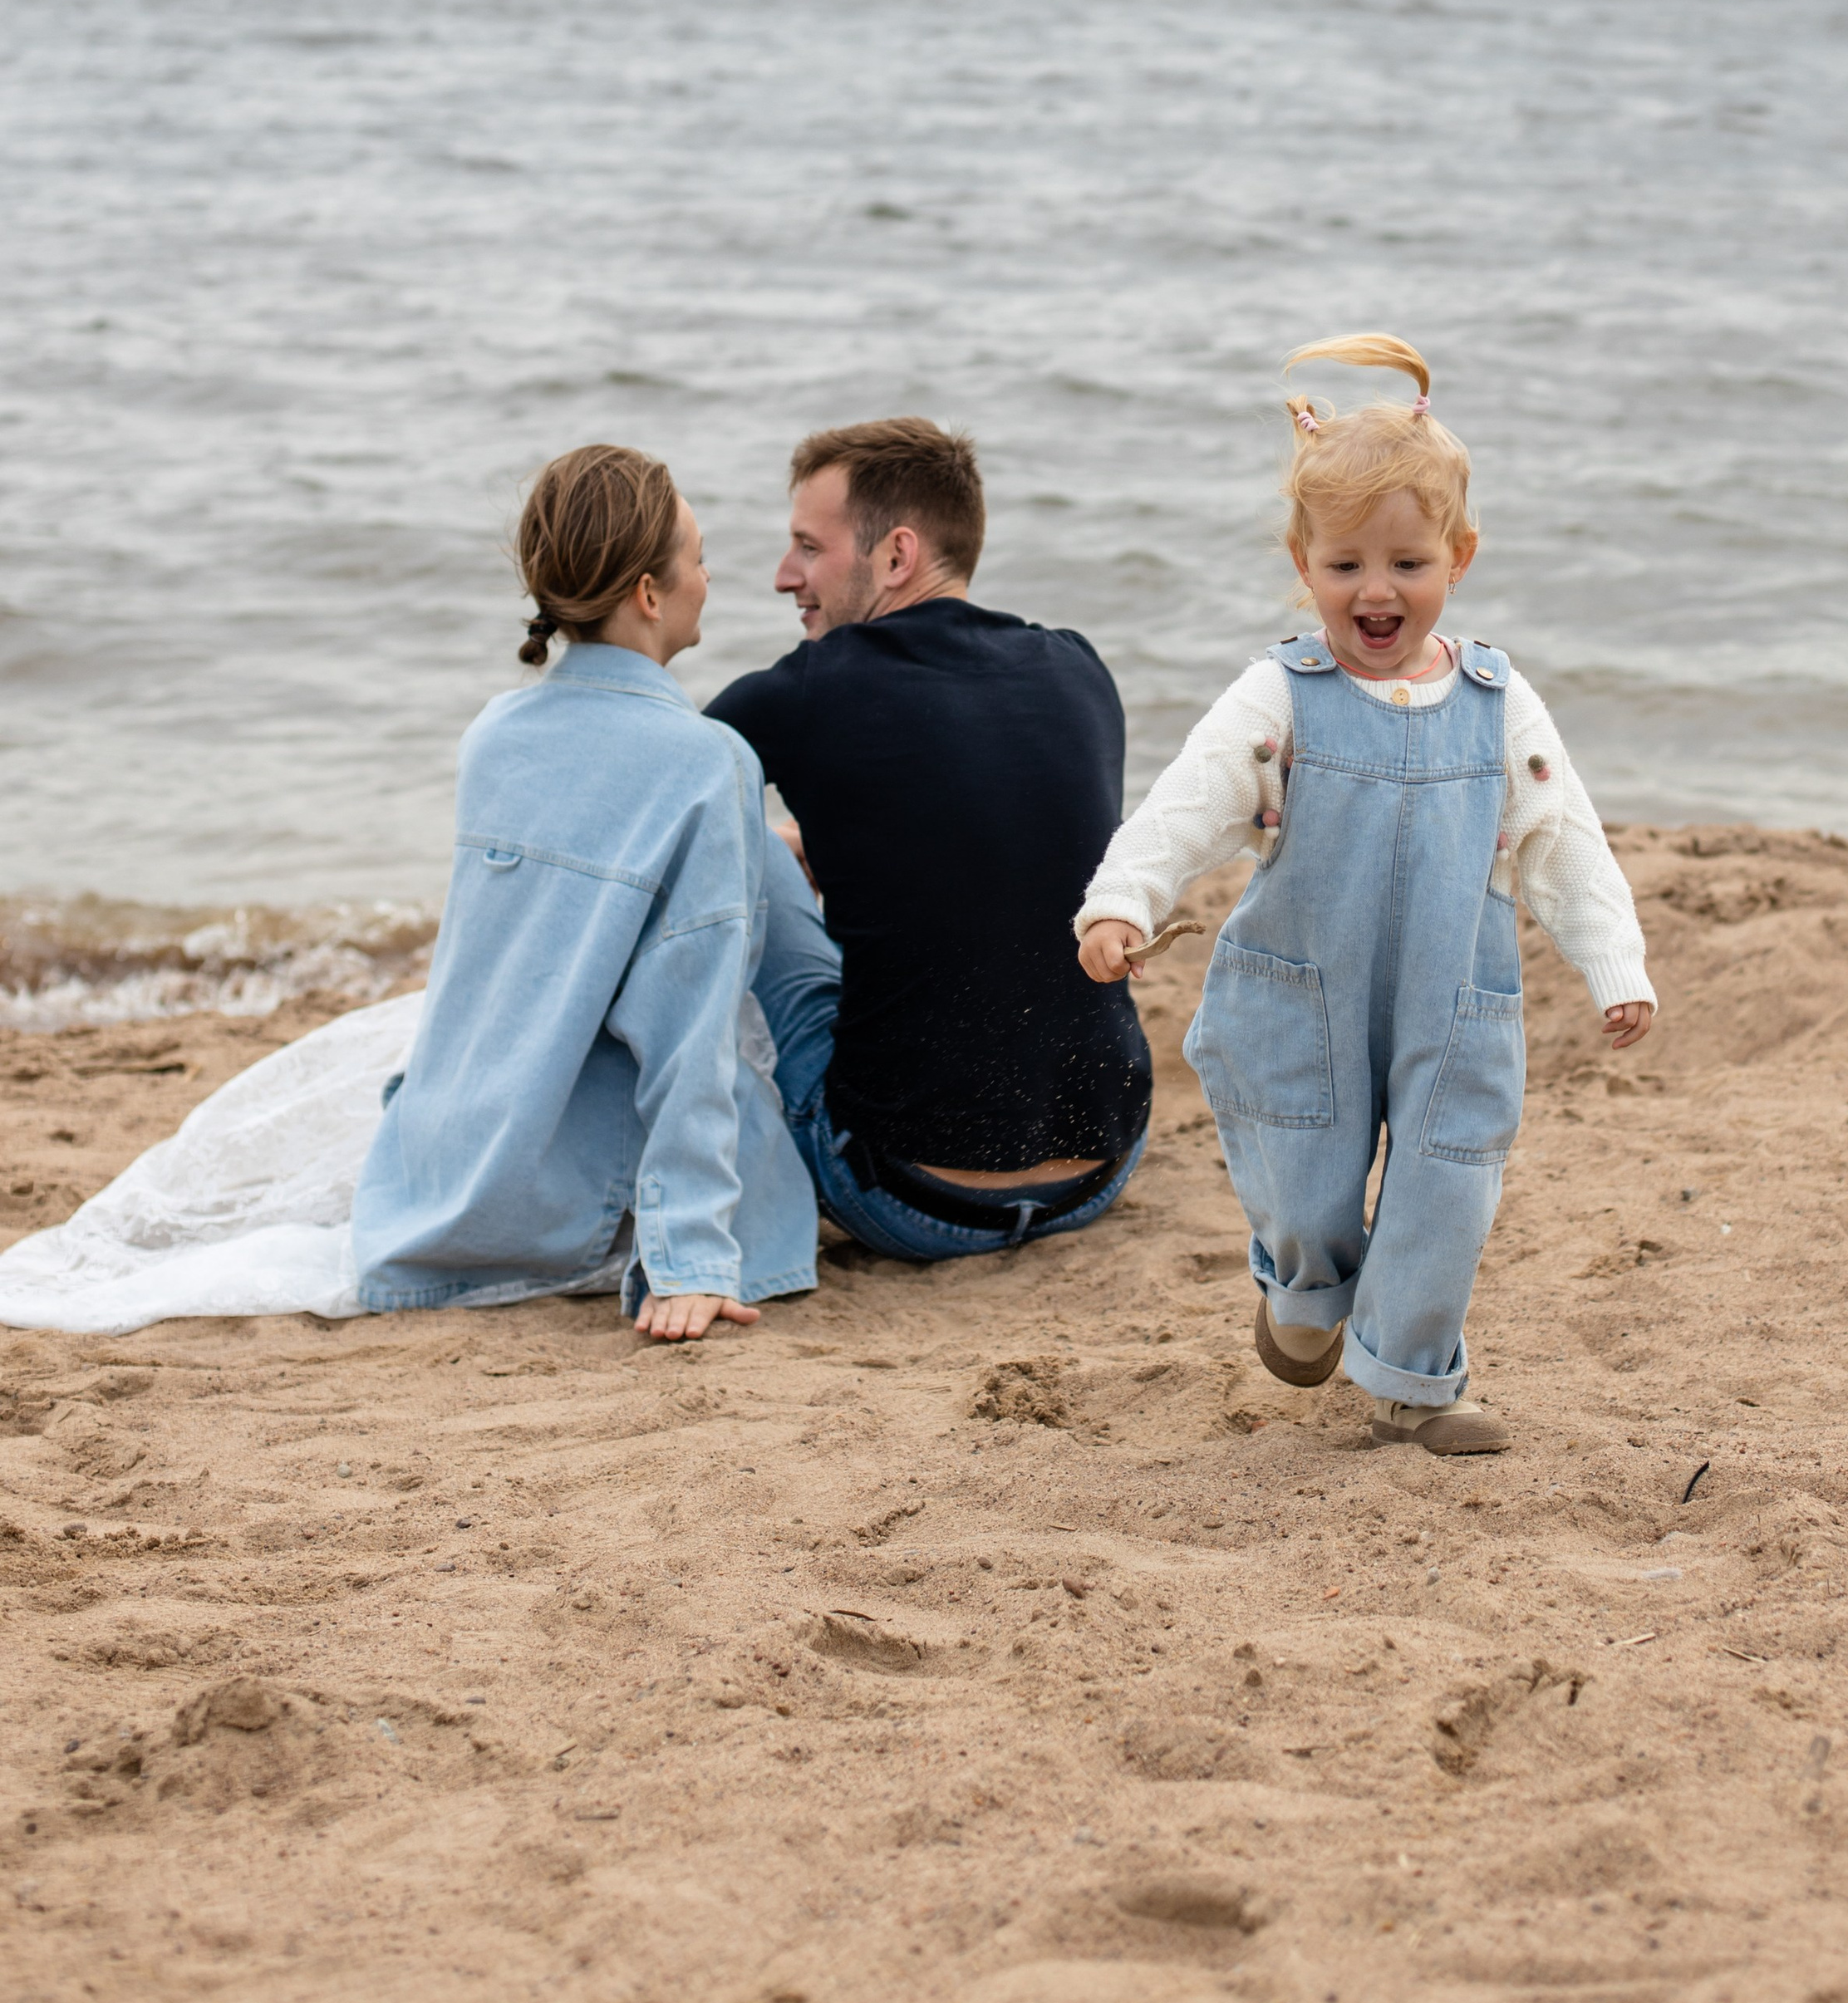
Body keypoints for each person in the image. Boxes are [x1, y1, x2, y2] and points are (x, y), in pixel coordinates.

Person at [1075, 334, 1655, 1452]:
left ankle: (1412, 1382)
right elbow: (1188, 803)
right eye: (1345, 565)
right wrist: (1123, 901)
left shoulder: (1498, 702)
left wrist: (1612, 961)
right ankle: (1304, 1294)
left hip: (1455, 998)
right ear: (1305, 563)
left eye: (1407, 563)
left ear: (1459, 557)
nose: (1376, 590)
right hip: (1305, 994)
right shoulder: (1280, 695)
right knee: (1307, 1177)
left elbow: (1563, 839)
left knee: (1449, 1181)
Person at [351, 444, 841, 1337]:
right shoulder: (708, 763)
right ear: (650, 594)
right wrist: (690, 1257)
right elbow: (689, 1032)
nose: (709, 578)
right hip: (573, 1194)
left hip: (453, 1169)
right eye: (699, 558)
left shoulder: (494, 733)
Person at [705, 417, 1152, 1264]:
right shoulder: (1077, 667)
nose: (784, 575)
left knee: (742, 842)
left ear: (896, 556)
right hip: (1098, 1169)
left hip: (907, 1191)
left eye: (809, 547)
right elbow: (994, 835)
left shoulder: (805, 693)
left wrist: (772, 848)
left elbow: (650, 810)